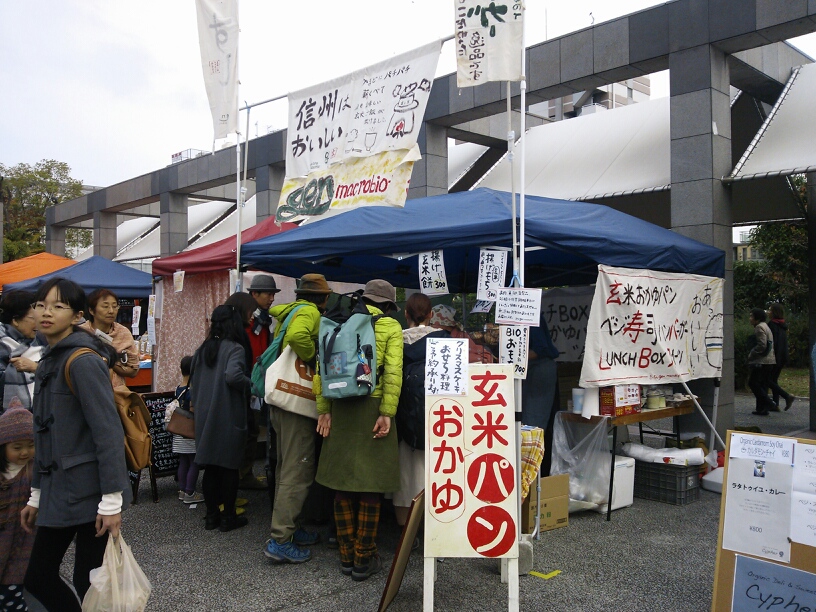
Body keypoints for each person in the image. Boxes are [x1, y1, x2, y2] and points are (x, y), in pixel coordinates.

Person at [22, 278, 131, 611]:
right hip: (60, 489)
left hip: (89, 493)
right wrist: (36, 495)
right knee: (45, 577)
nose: (46, 313)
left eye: (58, 306)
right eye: (41, 305)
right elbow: (43, 435)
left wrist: (112, 501)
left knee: (87, 581)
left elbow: (108, 432)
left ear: (77, 316)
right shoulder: (50, 359)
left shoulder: (82, 360)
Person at [315, 279, 403, 582]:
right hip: (373, 405)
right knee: (371, 484)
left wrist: (324, 409)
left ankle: (346, 556)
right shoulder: (390, 326)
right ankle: (364, 558)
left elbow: (321, 367)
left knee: (342, 483)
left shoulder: (339, 322)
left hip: (340, 404)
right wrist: (387, 413)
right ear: (388, 305)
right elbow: (393, 372)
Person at [263, 274, 331, 564]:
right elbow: (297, 338)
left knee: (285, 467)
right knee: (297, 470)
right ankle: (281, 539)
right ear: (323, 298)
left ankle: (291, 528)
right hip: (297, 406)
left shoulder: (289, 311)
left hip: (282, 400)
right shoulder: (310, 312)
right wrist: (314, 356)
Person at [190, 305, 252, 532]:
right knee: (229, 467)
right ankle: (228, 517)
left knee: (211, 468)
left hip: (205, 416)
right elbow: (233, 376)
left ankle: (211, 516)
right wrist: (252, 385)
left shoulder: (203, 349)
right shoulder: (235, 349)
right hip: (227, 414)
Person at [393, 293, 448, 528]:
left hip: (404, 422)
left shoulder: (396, 341)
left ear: (406, 314)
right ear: (431, 314)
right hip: (439, 422)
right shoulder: (444, 340)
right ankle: (437, 525)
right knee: (438, 471)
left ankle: (406, 531)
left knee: (406, 474)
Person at [240, 275, 281, 491]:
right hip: (247, 380)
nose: (271, 298)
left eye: (273, 294)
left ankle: (245, 474)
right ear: (254, 294)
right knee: (246, 430)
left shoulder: (264, 320)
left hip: (257, 381)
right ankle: (240, 476)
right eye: (268, 294)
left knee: (253, 430)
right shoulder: (247, 318)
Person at [0, 408, 35, 611]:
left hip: (21, 546)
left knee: (11, 597)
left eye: (31, 445)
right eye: (17, 447)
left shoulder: (34, 472)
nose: (24, 452)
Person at [79, 288, 139, 388]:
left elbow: (133, 371)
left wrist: (110, 361)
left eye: (115, 306)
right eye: (105, 306)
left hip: (116, 392)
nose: (111, 311)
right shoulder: (81, 333)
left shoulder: (123, 333)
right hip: (86, 389)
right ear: (91, 310)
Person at [0, 290, 43, 412]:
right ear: (15, 320)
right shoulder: (2, 344)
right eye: (33, 318)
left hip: (38, 415)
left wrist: (35, 367)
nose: (38, 323)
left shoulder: (39, 341)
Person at [173, 356, 203, 504]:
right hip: (190, 431)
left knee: (183, 461)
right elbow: (193, 411)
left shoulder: (178, 388)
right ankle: (190, 492)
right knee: (194, 462)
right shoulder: (192, 390)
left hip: (178, 431)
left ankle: (182, 490)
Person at [429, 304, 495, 363]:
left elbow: (485, 358)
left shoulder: (462, 337)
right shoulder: (434, 337)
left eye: (432, 323)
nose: (431, 326)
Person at [747, 307, 777, 416]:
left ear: (757, 318)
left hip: (762, 361)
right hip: (769, 360)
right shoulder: (765, 326)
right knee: (762, 384)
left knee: (753, 383)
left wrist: (752, 353)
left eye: (751, 316)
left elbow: (762, 345)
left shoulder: (759, 327)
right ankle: (762, 408)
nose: (750, 318)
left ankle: (769, 403)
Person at [766, 303, 795, 411]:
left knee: (767, 379)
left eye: (770, 310)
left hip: (775, 356)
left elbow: (772, 342)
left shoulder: (772, 325)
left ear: (774, 312)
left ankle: (786, 396)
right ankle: (775, 404)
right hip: (782, 356)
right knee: (774, 379)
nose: (768, 312)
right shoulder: (782, 325)